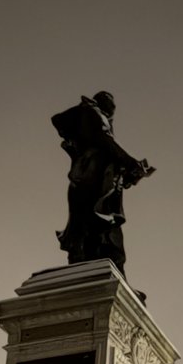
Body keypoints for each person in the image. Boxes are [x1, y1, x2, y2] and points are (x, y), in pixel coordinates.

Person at [51, 92, 154, 277]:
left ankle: (94, 265)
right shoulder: (93, 113)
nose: (113, 112)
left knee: (92, 224)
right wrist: (132, 164)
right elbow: (107, 141)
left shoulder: (88, 121)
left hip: (91, 178)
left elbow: (106, 144)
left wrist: (129, 173)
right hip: (96, 178)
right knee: (101, 225)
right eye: (111, 107)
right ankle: (100, 267)